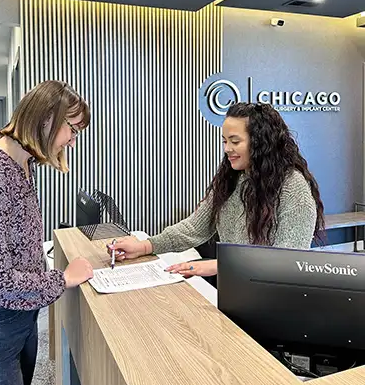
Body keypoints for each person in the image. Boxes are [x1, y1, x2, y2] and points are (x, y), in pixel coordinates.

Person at [0, 80, 94, 385]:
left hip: (16, 319)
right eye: (72, 130)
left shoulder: (20, 164)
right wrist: (61, 279)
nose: (73, 143)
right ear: (48, 118)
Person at [109, 102, 325, 278]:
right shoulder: (233, 179)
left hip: (272, 303)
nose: (227, 149)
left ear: (261, 142)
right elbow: (194, 228)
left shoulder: (293, 188)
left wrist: (218, 266)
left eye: (235, 141)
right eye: (224, 141)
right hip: (235, 291)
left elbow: (287, 259)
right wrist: (145, 246)